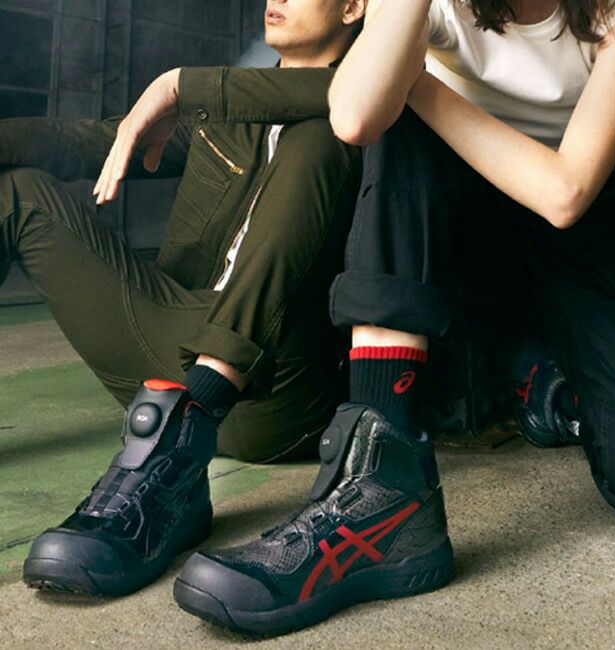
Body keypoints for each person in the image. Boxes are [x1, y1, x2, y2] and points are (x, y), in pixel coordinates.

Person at [170, 0, 615, 637]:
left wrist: (416, 82)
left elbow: (565, 195)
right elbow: (355, 115)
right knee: (392, 114)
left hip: (584, 238)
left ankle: (552, 388)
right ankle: (381, 486)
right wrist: (404, 71)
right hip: (453, 240)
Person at [0, 0, 366, 596]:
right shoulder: (223, 113)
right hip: (170, 347)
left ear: (353, 6)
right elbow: (88, 139)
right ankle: (176, 439)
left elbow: (352, 95)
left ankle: (179, 444)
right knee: (14, 190)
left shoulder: (375, 106)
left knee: (324, 134)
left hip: (276, 389)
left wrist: (182, 87)